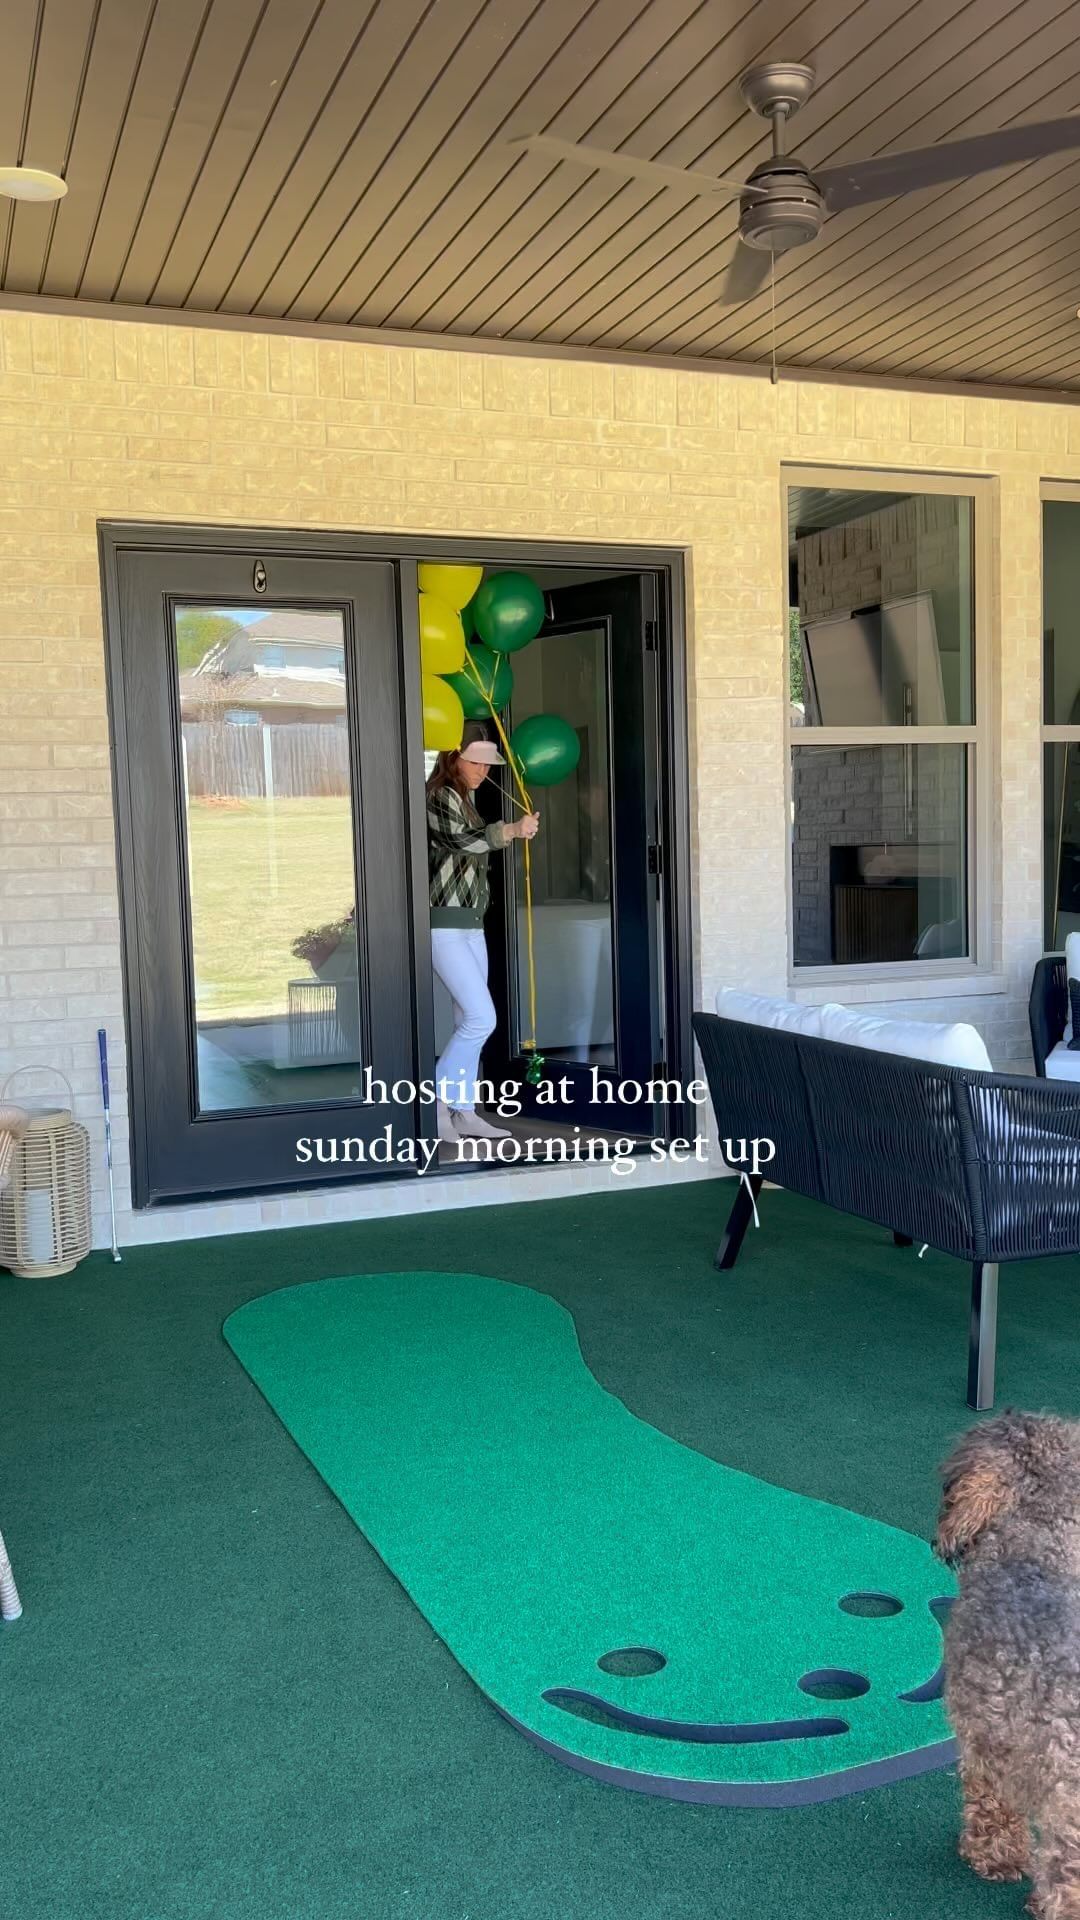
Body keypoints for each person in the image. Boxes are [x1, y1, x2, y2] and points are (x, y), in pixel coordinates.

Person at [427, 727, 539, 1144]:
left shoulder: (466, 799)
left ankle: (464, 1112)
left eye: (487, 764)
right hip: (445, 925)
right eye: (474, 761)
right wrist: (509, 831)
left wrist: (511, 831)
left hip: (470, 925)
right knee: (481, 1019)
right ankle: (436, 1101)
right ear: (452, 758)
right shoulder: (439, 796)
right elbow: (458, 841)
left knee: (467, 1019)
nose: (481, 770)